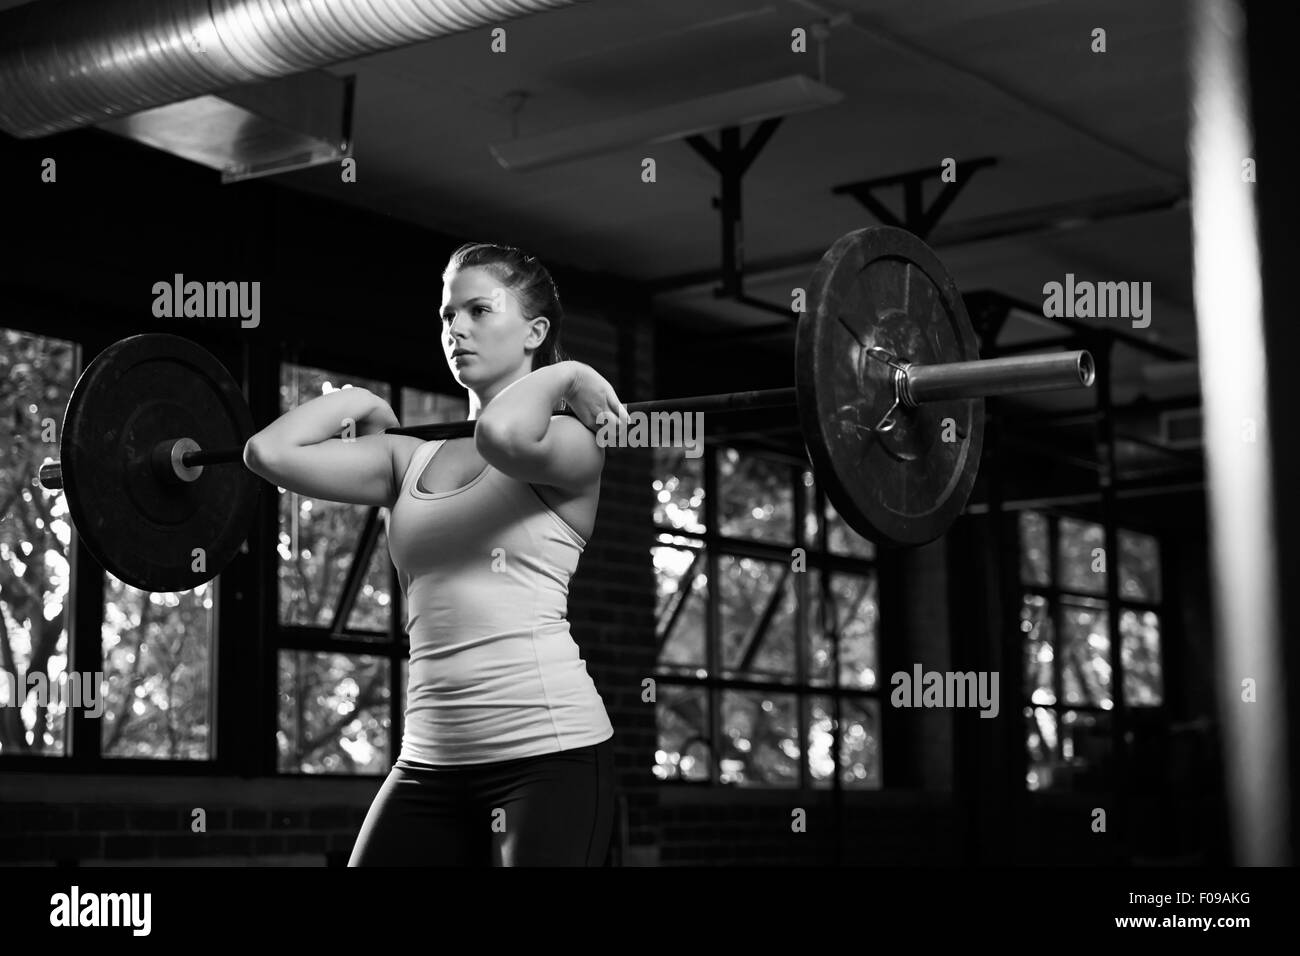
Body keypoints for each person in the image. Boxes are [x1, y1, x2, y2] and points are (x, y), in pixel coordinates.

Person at [243, 242, 628, 866]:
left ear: (535, 330)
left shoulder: (570, 443)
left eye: (479, 310)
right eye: (448, 316)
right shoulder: (406, 458)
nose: (457, 329)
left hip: (549, 755)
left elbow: (501, 434)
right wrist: (360, 402)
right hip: (430, 760)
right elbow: (268, 454)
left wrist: (569, 375)